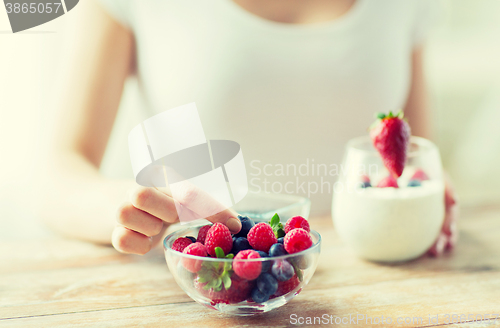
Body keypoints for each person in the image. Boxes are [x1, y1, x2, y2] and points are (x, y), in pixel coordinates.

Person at [36, 0, 458, 256]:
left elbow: (416, 157)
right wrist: (130, 207)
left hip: (371, 279)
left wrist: (429, 198)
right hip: (206, 278)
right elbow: (57, 173)